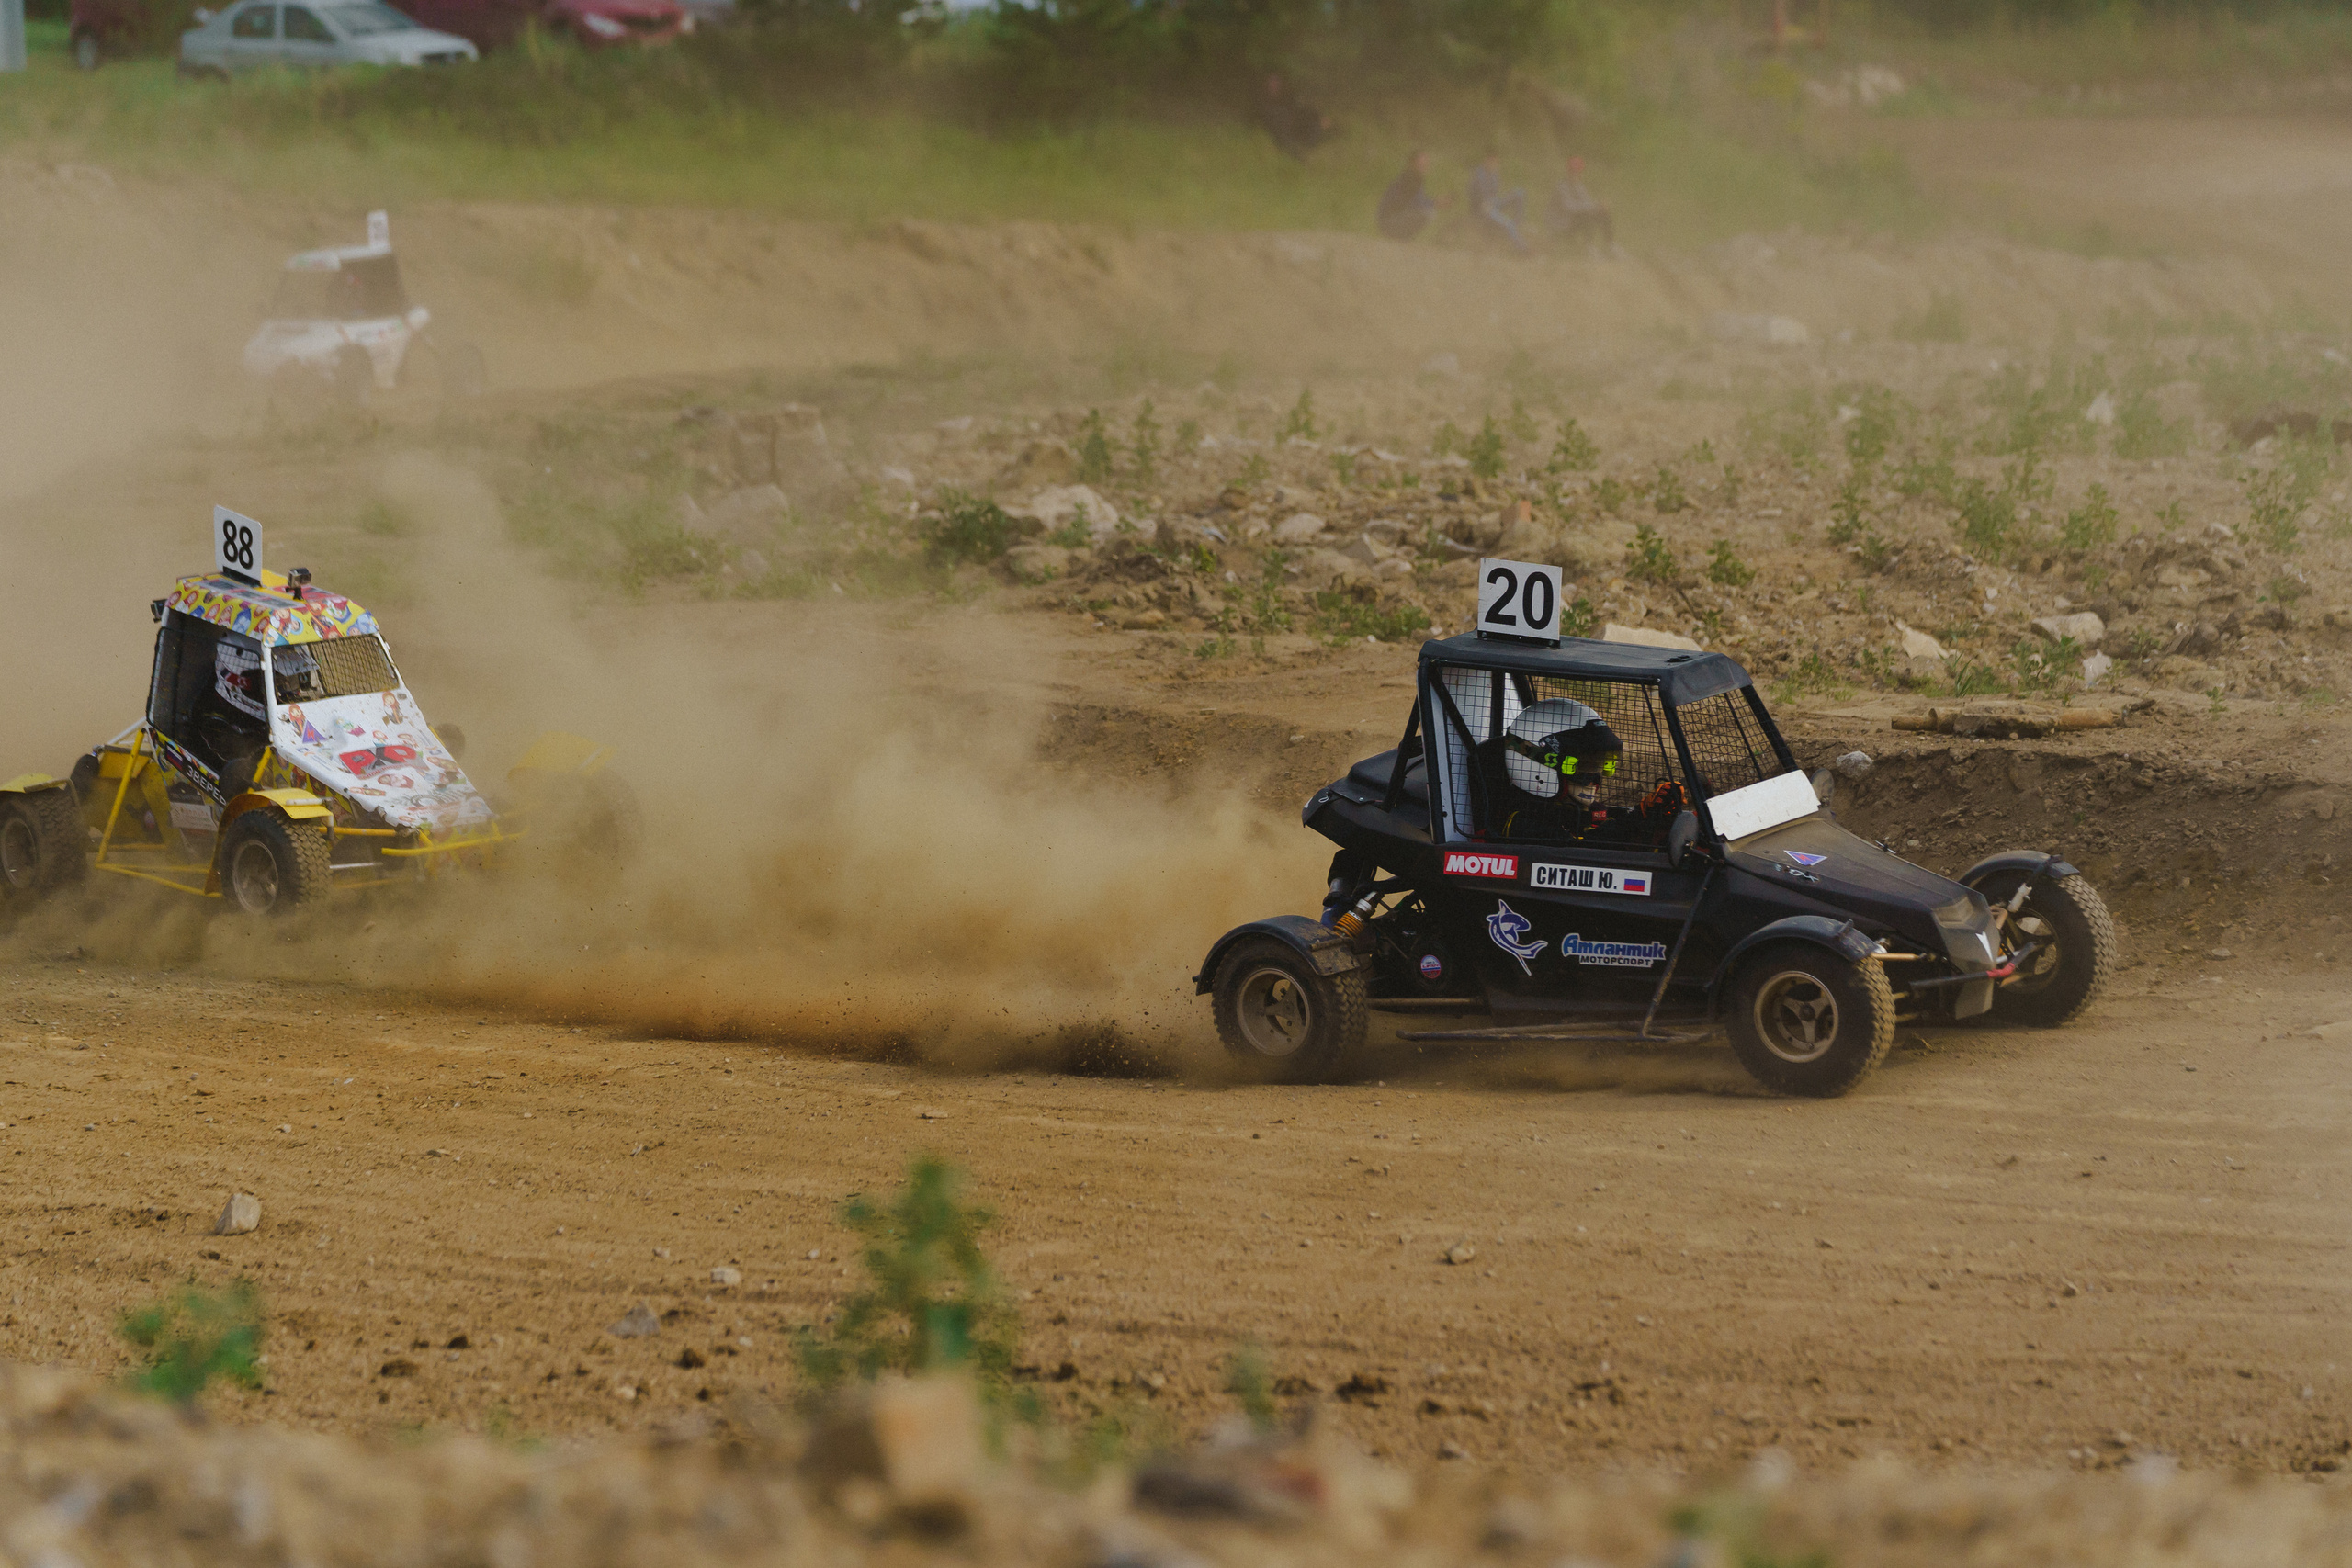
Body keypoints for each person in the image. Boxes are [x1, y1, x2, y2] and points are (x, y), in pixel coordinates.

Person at [1491, 698, 1687, 846]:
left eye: (1598, 765)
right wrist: (1636, 819)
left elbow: (1605, 826)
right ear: (1539, 765)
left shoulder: (1580, 812)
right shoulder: (1524, 825)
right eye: (1582, 766)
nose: (1593, 778)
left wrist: (1653, 818)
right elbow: (1580, 851)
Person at [1257, 72, 1333, 161]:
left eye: (1277, 83)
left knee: (1316, 123)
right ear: (1267, 86)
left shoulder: (1287, 97)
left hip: (1298, 128)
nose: (1275, 86)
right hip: (1286, 134)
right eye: (1272, 84)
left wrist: (1320, 117)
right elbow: (1277, 130)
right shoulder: (1266, 104)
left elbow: (1304, 109)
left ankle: (1327, 130)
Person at [1467, 152, 1529, 254]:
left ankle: (1518, 222)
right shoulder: (1478, 175)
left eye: (1496, 162)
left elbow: (1495, 194)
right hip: (1482, 208)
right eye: (1492, 161)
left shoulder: (1495, 174)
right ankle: (1522, 249)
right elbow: (1473, 196)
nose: (1494, 164)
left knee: (1519, 193)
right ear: (1486, 160)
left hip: (1494, 202)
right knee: (1508, 223)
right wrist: (1484, 205)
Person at [1547, 155, 1613, 247]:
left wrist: (1599, 206)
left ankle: (1610, 245)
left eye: (1578, 172)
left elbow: (1587, 202)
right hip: (1560, 224)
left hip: (1571, 221)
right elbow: (1569, 207)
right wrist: (1594, 206)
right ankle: (1588, 246)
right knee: (1586, 215)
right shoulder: (1561, 187)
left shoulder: (1579, 186)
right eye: (1573, 171)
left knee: (1603, 213)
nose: (1575, 174)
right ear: (1568, 171)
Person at [1376, 150, 1440, 241]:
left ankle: (1401, 237)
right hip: (1389, 221)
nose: (1424, 167)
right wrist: (1435, 202)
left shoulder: (1412, 178)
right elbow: (1416, 204)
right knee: (1428, 213)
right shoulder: (1410, 180)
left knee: (1427, 212)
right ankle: (1399, 236)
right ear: (1412, 163)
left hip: (1388, 219)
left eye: (1425, 164)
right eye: (1421, 164)